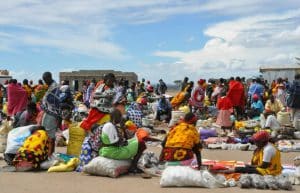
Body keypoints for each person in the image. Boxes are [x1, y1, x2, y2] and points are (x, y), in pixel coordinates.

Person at [99, 108, 147, 173]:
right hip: (113, 151)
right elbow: (114, 143)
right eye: (119, 116)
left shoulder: (111, 125)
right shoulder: (109, 126)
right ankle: (133, 166)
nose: (120, 118)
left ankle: (133, 165)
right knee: (141, 144)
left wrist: (124, 139)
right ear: (115, 117)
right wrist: (123, 142)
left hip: (112, 149)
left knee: (137, 140)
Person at [40, 72, 61, 156]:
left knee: (51, 135)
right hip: (49, 112)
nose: (45, 82)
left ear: (49, 77)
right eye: (44, 80)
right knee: (47, 133)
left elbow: (55, 101)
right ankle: (48, 153)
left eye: (46, 80)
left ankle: (50, 154)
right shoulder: (50, 86)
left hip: (53, 114)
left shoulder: (55, 87)